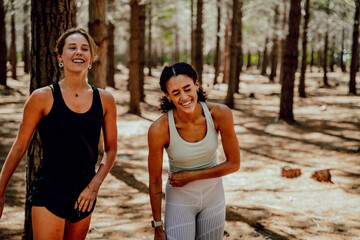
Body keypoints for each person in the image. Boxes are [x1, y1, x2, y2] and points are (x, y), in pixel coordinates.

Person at [0, 28, 117, 240]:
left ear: (91, 58)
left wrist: (94, 185)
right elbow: (19, 147)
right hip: (50, 188)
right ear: (60, 56)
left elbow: (111, 149)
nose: (79, 52)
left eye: (84, 48)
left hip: (85, 189)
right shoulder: (42, 97)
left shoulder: (105, 99)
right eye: (72, 48)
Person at [148, 62, 240, 240]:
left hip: (214, 196)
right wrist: (158, 225)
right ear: (167, 96)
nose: (184, 97)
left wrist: (191, 176)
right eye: (175, 93)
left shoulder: (220, 114)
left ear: (197, 85)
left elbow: (234, 164)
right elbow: (154, 180)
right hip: (180, 200)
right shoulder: (159, 129)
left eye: (187, 88)